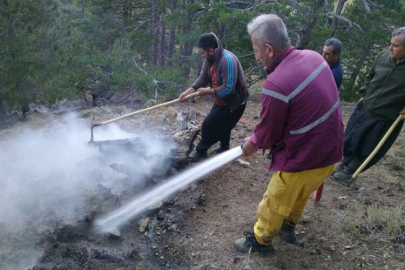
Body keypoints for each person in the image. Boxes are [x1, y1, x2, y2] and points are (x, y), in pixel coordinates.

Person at [234, 14, 344, 253]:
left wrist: (250, 145)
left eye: (256, 50)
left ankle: (260, 241)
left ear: (269, 49)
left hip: (306, 158)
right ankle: (288, 226)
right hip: (332, 153)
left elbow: (267, 134)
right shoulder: (314, 57)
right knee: (300, 193)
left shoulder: (276, 84)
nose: (256, 56)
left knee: (277, 196)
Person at [330, 27, 405, 185]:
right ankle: (343, 165)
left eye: (395, 45)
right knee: (350, 138)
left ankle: (350, 173)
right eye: (390, 44)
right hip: (365, 107)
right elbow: (369, 76)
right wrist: (364, 93)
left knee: (368, 147)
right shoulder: (383, 56)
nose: (390, 48)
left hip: (385, 118)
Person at [179, 33, 249, 160]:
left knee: (209, 125)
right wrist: (188, 92)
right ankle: (224, 148)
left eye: (202, 53)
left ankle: (201, 151)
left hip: (235, 102)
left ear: (211, 50)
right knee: (221, 122)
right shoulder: (209, 60)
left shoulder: (227, 61)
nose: (202, 56)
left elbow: (228, 89)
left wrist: (207, 91)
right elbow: (203, 77)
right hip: (221, 99)